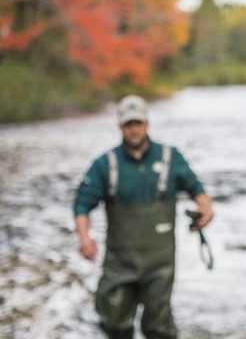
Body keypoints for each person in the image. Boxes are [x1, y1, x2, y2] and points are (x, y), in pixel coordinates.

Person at [73, 95, 214, 339]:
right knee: (114, 324)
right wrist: (85, 239)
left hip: (159, 264)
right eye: (129, 125)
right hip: (119, 263)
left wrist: (205, 209)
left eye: (137, 123)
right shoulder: (105, 164)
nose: (134, 129)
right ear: (121, 127)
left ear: (147, 124)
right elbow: (81, 204)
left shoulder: (171, 158)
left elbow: (197, 190)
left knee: (158, 328)